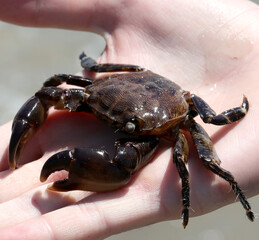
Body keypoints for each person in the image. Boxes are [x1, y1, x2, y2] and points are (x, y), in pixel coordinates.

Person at [0, 0, 258, 239]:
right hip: (121, 86)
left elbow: (213, 119)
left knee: (199, 162)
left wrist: (240, 112)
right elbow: (49, 92)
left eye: (126, 124)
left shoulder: (180, 125)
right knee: (49, 94)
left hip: (158, 120)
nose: (109, 122)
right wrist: (89, 93)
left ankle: (195, 200)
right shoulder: (101, 88)